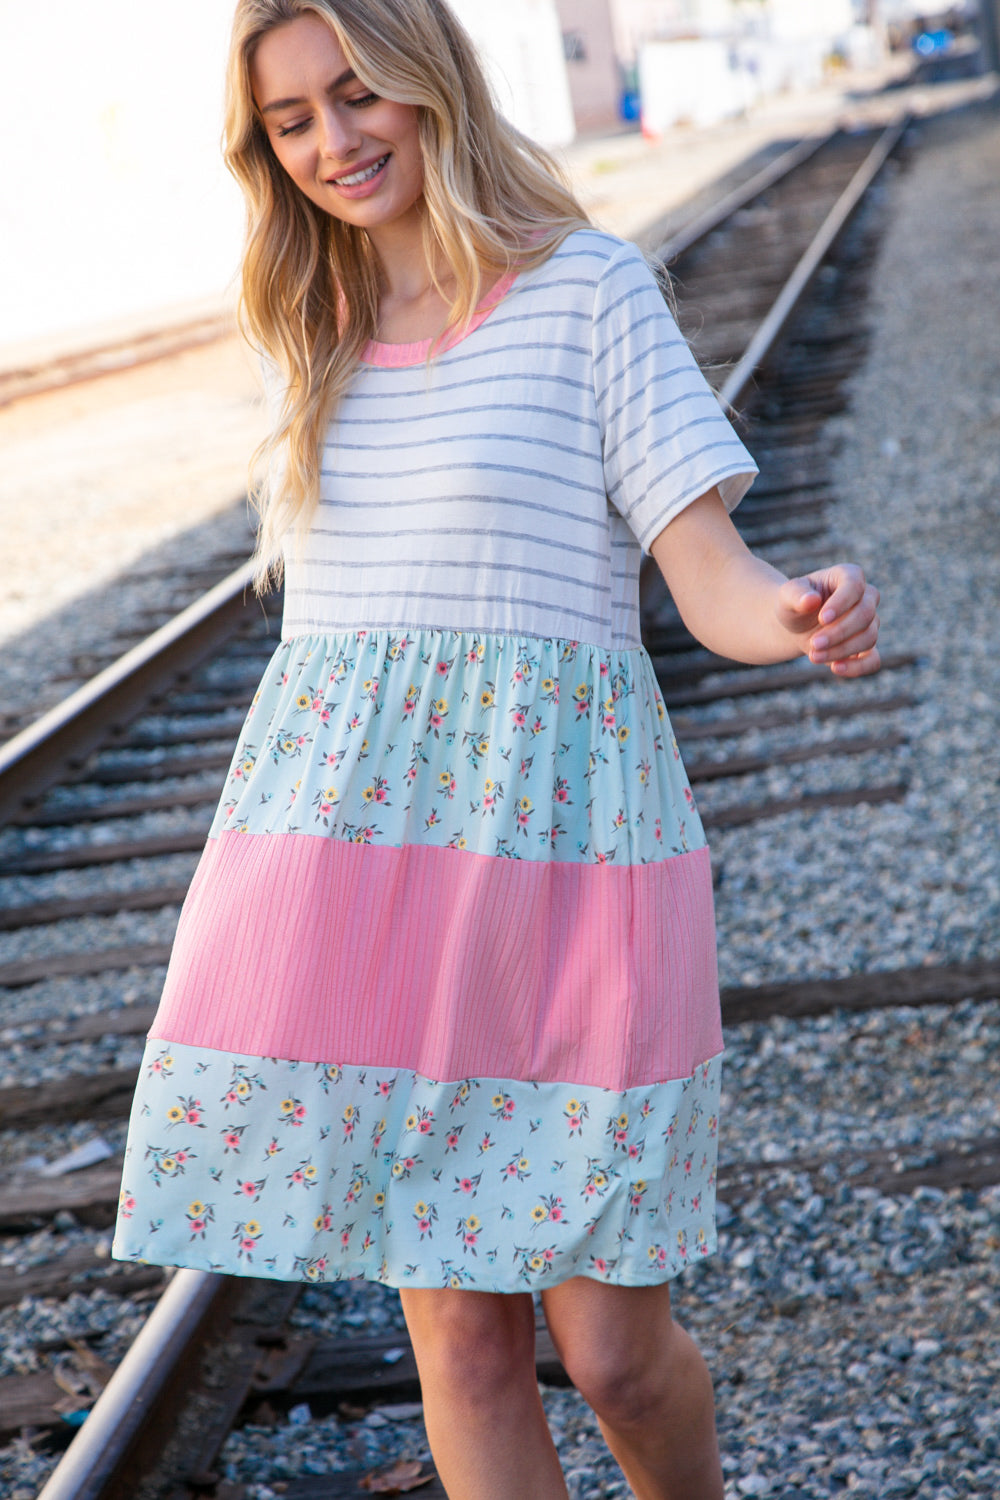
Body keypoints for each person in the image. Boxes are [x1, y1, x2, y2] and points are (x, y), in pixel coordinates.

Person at [112, 3, 881, 1496]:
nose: (334, 141)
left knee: (609, 1351)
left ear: (429, 87)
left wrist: (798, 612)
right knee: (461, 1349)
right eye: (291, 121)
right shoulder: (312, 331)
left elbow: (705, 574)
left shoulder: (588, 292)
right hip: (361, 879)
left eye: (356, 96)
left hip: (564, 867)